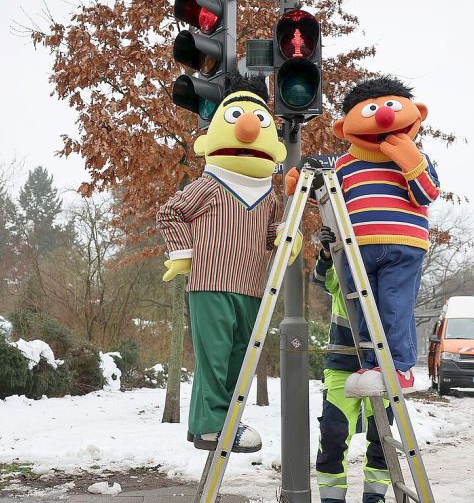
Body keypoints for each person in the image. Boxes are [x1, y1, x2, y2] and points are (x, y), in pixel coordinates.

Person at [157, 73, 301, 453]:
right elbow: (170, 212)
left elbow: (273, 231)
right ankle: (210, 426)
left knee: (242, 356)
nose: (250, 129)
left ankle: (218, 422)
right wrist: (183, 253)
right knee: (214, 356)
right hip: (212, 283)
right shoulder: (210, 184)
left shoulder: (269, 195)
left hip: (253, 286)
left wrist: (288, 237)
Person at [287, 76, 439, 396]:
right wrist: (301, 185)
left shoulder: (417, 158)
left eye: (391, 107)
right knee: (362, 309)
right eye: (371, 109)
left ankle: (399, 367)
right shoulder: (344, 164)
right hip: (357, 248)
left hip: (404, 245)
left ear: (416, 113)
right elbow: (330, 195)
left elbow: (427, 193)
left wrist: (408, 157)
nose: (383, 116)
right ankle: (372, 363)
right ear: (344, 128)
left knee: (394, 306)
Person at [313, 225, 392, 503]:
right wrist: (326, 253)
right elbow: (322, 279)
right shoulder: (345, 272)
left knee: (382, 440)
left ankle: (375, 497)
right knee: (333, 435)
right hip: (341, 364)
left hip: (379, 367)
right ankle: (332, 499)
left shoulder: (389, 278)